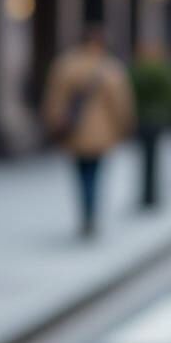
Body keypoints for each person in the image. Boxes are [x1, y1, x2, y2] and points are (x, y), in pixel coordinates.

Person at [42, 22, 135, 237]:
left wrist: (54, 122)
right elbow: (121, 104)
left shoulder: (67, 65)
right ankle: (91, 214)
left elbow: (55, 99)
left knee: (81, 174)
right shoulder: (110, 68)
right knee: (96, 174)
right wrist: (124, 127)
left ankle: (85, 214)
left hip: (75, 131)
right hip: (102, 133)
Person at [129, 40, 171, 208]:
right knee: (154, 158)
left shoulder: (137, 71)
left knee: (145, 159)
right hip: (157, 119)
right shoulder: (163, 71)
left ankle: (147, 195)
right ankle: (153, 194)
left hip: (143, 119)